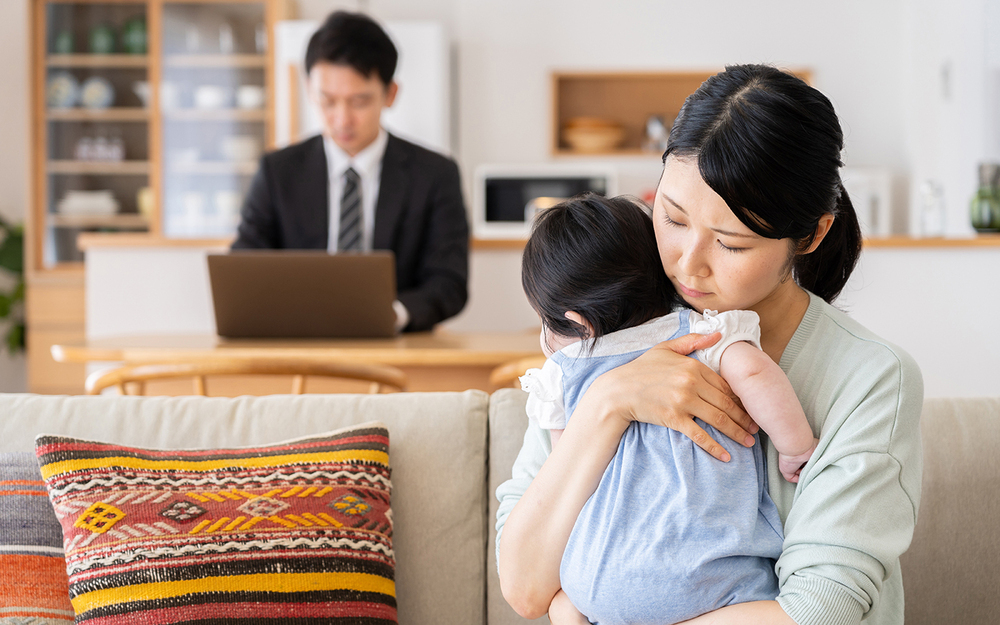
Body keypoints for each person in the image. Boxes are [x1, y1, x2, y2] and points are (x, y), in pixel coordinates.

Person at [496, 64, 923, 625]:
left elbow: (822, 610)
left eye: (730, 242)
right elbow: (526, 588)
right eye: (671, 218)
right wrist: (609, 402)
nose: (686, 263)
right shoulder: (614, 327)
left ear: (812, 235)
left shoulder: (870, 378)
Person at [517, 193, 817, 625]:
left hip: (600, 586)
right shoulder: (701, 333)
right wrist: (794, 446)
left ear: (577, 322)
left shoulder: (562, 380)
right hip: (718, 583)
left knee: (565, 600)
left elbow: (568, 474)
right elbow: (754, 375)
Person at [232, 11, 469, 332]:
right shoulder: (278, 171)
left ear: (390, 94)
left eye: (359, 102)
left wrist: (392, 314)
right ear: (308, 89)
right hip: (298, 340)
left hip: (399, 346)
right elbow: (244, 267)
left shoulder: (435, 174)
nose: (342, 119)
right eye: (327, 101)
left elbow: (449, 282)